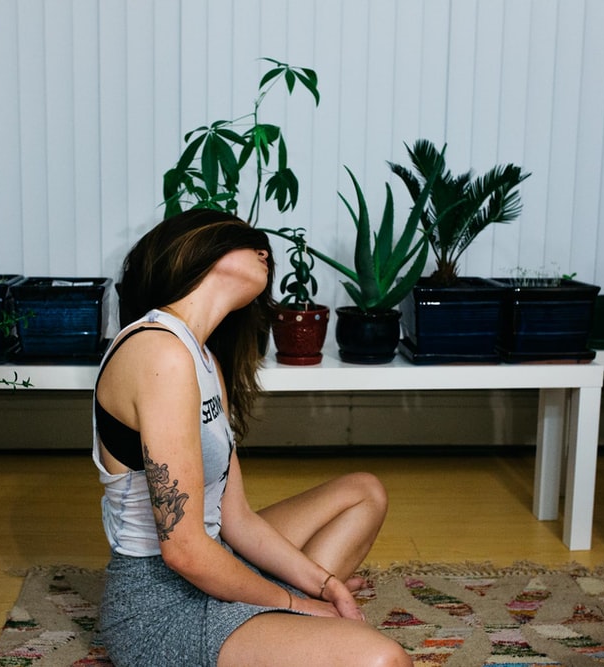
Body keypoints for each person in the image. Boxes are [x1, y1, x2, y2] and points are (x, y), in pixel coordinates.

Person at [93, 209, 411, 667]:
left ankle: (274, 627)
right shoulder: (156, 351)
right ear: (195, 249)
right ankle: (276, 626)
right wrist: (295, 602)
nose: (265, 251)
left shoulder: (203, 359)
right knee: (382, 661)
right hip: (158, 605)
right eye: (248, 241)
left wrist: (324, 584)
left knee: (363, 492)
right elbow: (183, 551)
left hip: (215, 556)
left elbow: (235, 517)